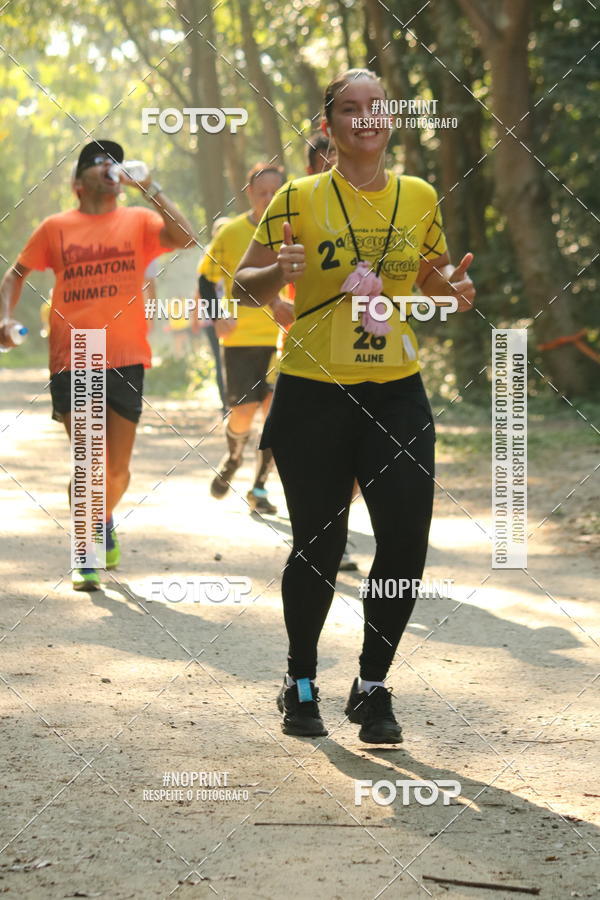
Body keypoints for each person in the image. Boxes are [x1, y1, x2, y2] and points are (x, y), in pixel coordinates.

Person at [235, 69, 475, 742]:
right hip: (313, 388)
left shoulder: (419, 196)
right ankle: (300, 679)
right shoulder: (297, 196)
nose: (365, 117)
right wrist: (273, 274)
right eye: (349, 108)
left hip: (397, 389)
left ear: (390, 119)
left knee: (404, 541)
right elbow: (241, 285)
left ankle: (372, 686)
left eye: (377, 106)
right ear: (328, 126)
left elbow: (427, 275)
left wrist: (451, 286)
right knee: (320, 540)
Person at [0, 139, 193, 590]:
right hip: (75, 351)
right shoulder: (56, 227)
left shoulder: (139, 219)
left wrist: (151, 189)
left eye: (115, 162)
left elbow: (185, 237)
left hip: (127, 355)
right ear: (77, 183)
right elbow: (16, 274)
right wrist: (6, 317)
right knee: (89, 460)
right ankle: (85, 552)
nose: (110, 167)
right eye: (98, 161)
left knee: (117, 470)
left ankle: (101, 518)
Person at [199, 163, 294, 515]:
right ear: (249, 193)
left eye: (276, 192)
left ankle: (259, 487)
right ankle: (235, 455)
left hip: (284, 339)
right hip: (239, 338)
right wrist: (216, 315)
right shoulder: (232, 232)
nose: (269, 199)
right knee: (242, 414)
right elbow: (206, 279)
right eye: (262, 192)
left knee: (276, 416)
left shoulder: (297, 230)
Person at [193, 216, 230, 414]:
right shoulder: (209, 254)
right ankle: (226, 403)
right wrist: (194, 317)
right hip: (212, 318)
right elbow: (200, 288)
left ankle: (235, 400)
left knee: (231, 359)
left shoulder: (238, 251)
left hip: (233, 316)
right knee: (220, 358)